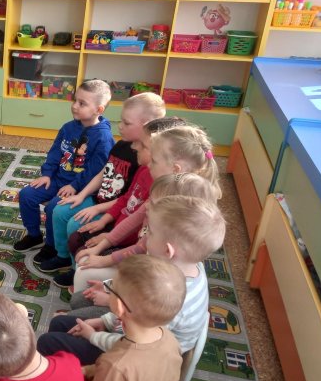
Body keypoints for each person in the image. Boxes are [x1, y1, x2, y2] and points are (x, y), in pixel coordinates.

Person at [38, 194, 226, 364]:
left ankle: (64, 378)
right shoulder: (180, 270)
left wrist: (93, 336)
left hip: (141, 357)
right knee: (59, 323)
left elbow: (131, 344)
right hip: (133, 331)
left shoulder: (163, 294)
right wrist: (105, 320)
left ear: (167, 250)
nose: (144, 236)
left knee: (47, 341)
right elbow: (132, 302)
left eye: (149, 232)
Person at [67, 123, 222, 291]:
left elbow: (142, 247)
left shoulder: (173, 209)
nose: (148, 165)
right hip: (142, 259)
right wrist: (101, 246)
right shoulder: (161, 190)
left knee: (84, 272)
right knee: (84, 259)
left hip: (153, 276)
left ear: (175, 169)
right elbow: (133, 221)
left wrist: (104, 260)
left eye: (154, 160)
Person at [39, 92, 166, 276]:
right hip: (97, 198)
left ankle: (76, 269)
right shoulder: (121, 145)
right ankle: (62, 256)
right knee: (59, 211)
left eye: (126, 123)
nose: (120, 126)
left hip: (113, 209)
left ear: (147, 126)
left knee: (75, 224)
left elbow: (127, 199)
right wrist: (81, 195)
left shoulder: (146, 162)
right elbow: (104, 172)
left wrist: (98, 210)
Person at [53, 116, 187, 288]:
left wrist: (108, 241)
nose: (134, 147)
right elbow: (127, 200)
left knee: (81, 249)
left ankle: (88, 283)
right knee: (76, 239)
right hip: (119, 230)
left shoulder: (163, 195)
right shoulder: (145, 170)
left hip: (132, 247)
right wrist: (105, 224)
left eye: (143, 145)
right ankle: (79, 275)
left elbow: (140, 240)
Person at [72, 255, 185, 381]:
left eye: (111, 288)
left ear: (119, 306)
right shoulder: (169, 339)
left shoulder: (117, 367)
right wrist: (87, 371)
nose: (108, 290)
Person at [67, 173, 219, 319]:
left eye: (150, 233)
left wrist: (109, 301)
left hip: (134, 323)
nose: (146, 205)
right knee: (78, 300)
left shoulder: (166, 286)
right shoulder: (168, 256)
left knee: (71, 316)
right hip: (132, 302)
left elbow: (137, 323)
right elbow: (135, 281)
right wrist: (109, 287)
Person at [12, 79, 114, 261]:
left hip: (80, 188)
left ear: (99, 110)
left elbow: (95, 171)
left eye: (82, 103)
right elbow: (55, 153)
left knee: (53, 208)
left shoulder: (103, 137)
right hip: (57, 179)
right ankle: (34, 235)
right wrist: (47, 175)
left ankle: (51, 245)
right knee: (27, 194)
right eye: (75, 100)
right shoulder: (68, 127)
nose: (74, 106)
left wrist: (75, 186)